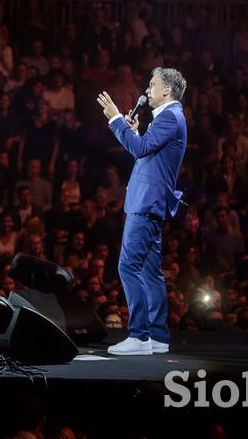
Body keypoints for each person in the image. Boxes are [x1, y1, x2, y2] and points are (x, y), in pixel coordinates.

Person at [96, 67, 187, 355]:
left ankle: (139, 335)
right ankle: (158, 336)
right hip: (151, 202)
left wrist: (114, 118)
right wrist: (133, 131)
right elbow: (145, 150)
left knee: (128, 266)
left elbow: (140, 151)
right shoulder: (169, 118)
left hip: (146, 203)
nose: (147, 90)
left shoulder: (170, 116)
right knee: (150, 272)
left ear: (167, 91)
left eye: (152, 85)